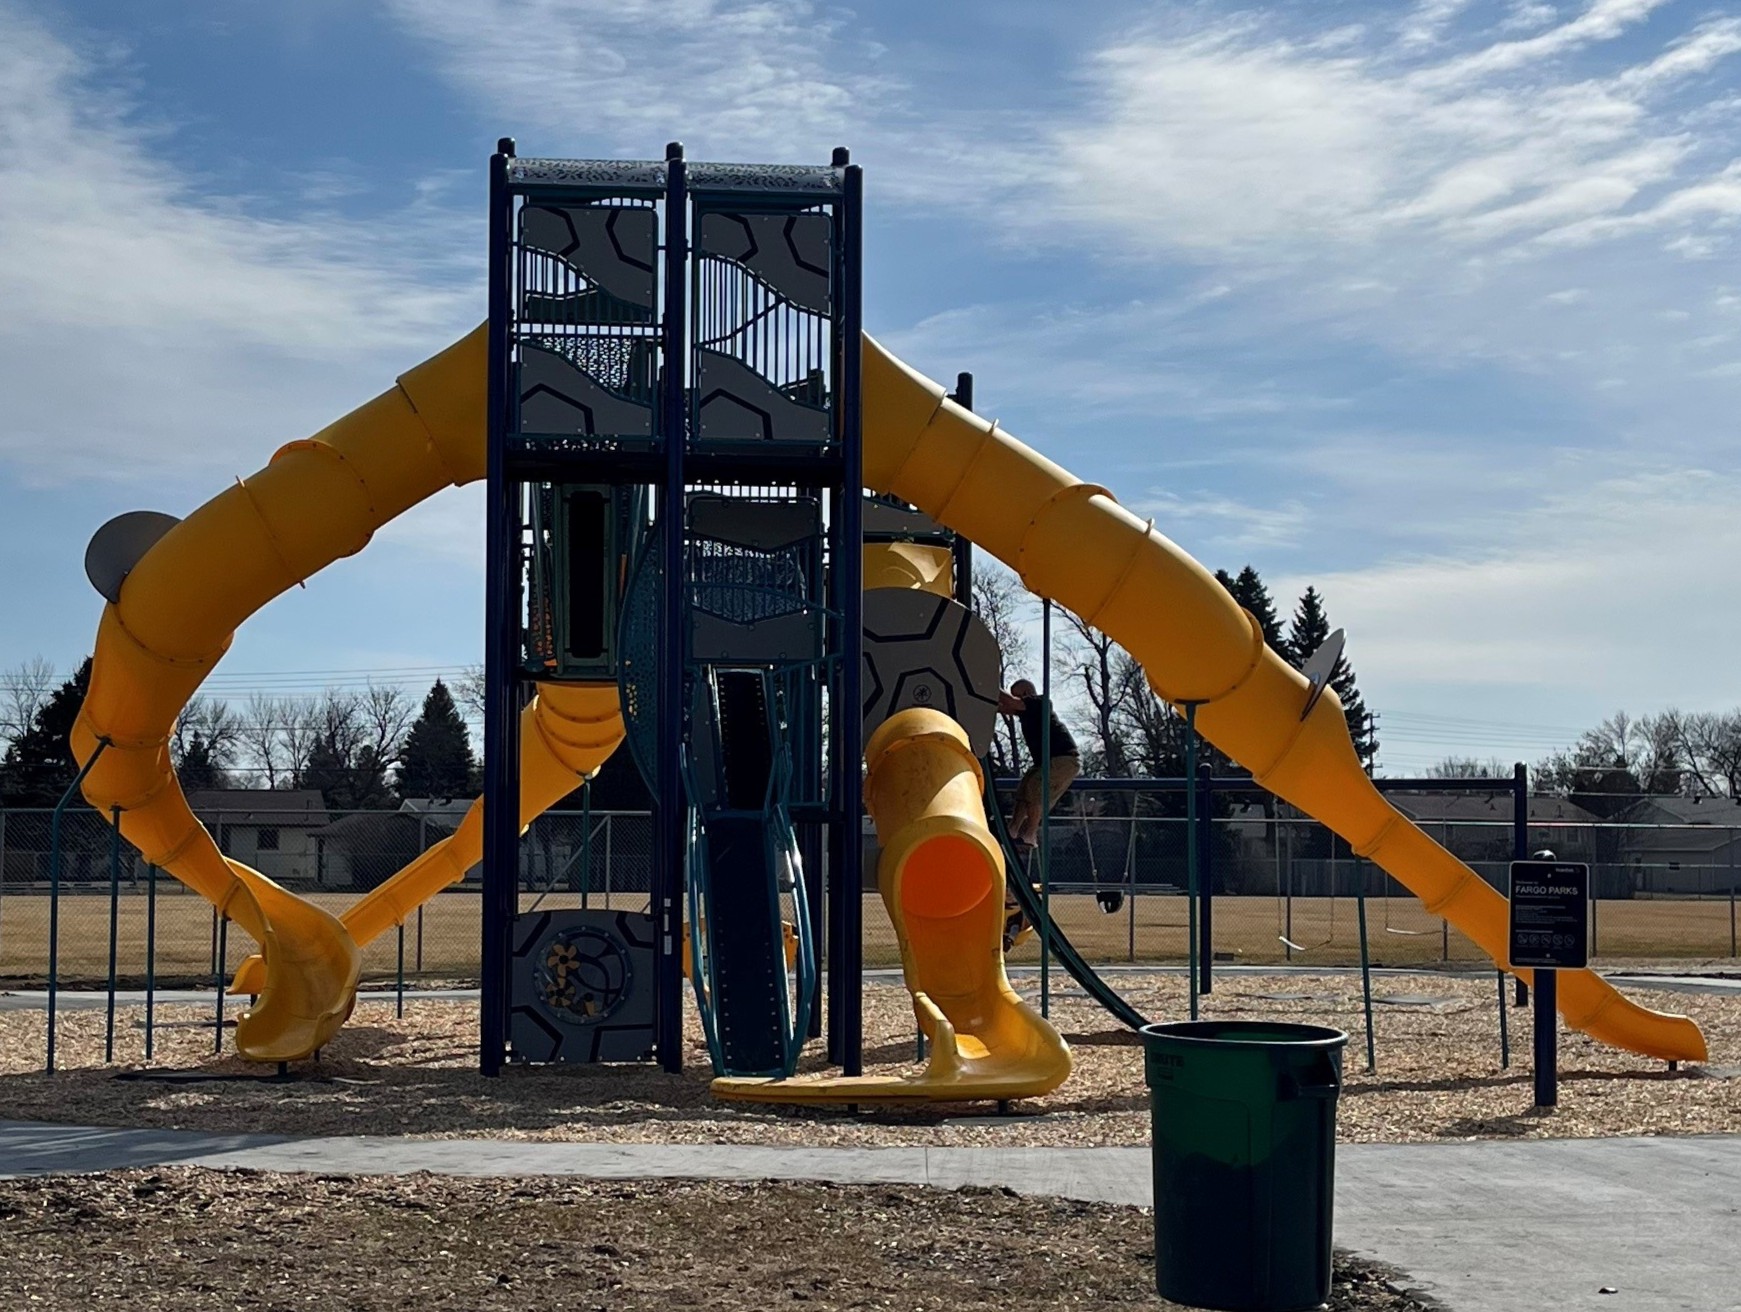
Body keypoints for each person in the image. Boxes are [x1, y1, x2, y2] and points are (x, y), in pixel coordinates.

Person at [998, 679, 1080, 850]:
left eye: (1018, 696)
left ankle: (1030, 834)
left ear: (1026, 694)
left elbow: (1010, 703)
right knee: (1025, 788)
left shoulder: (1039, 703)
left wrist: (988, 683)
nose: (1017, 700)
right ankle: (1013, 829)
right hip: (1046, 760)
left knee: (1037, 788)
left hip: (1063, 758)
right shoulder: (1026, 712)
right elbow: (1004, 706)